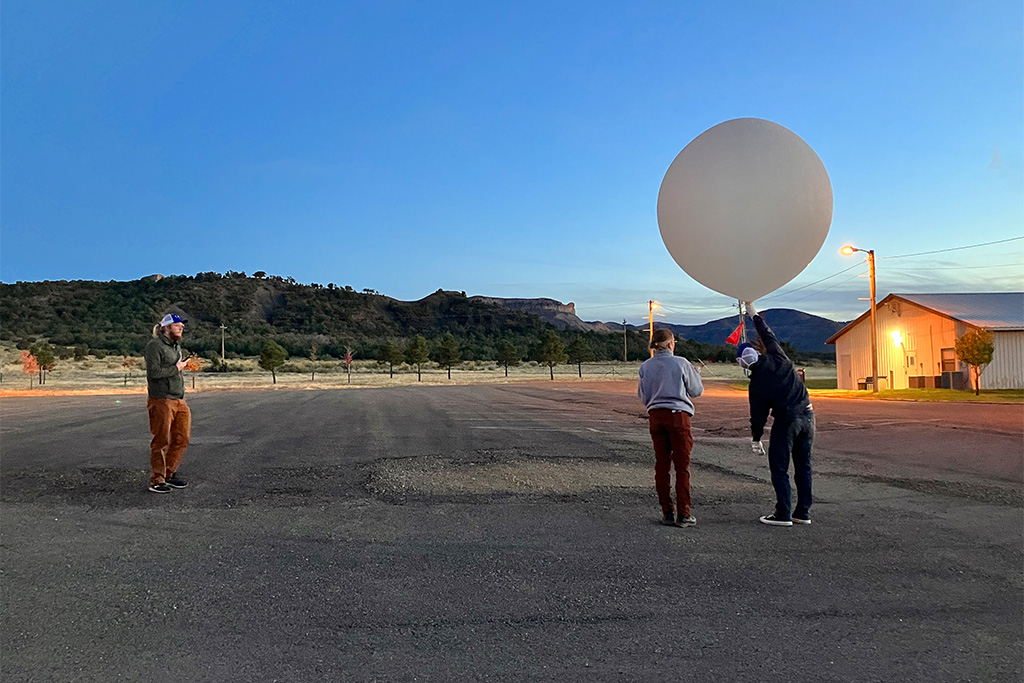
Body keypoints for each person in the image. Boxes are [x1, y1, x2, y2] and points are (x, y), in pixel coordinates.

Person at [739, 302, 813, 527]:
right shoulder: (778, 355)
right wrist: (753, 314)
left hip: (786, 419)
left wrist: (756, 438)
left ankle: (783, 513)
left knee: (780, 468)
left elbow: (758, 415)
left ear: (742, 364)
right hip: (808, 414)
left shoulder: (756, 384)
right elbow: (767, 333)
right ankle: (803, 512)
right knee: (803, 466)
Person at [638, 329, 704, 527]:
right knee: (682, 466)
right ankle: (684, 513)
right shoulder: (681, 363)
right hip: (678, 415)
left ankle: (667, 511)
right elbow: (696, 391)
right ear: (670, 344)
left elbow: (643, 396)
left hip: (656, 416)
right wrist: (696, 375)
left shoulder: (646, 366)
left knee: (662, 465)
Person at [144, 313, 192, 494]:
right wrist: (176, 368)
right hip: (161, 399)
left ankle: (169, 473)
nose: (181, 328)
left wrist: (180, 367)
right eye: (177, 325)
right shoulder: (155, 346)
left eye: (182, 326)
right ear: (166, 327)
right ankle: (157, 479)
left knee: (182, 438)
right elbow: (154, 373)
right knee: (161, 440)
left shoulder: (176, 346)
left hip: (179, 399)